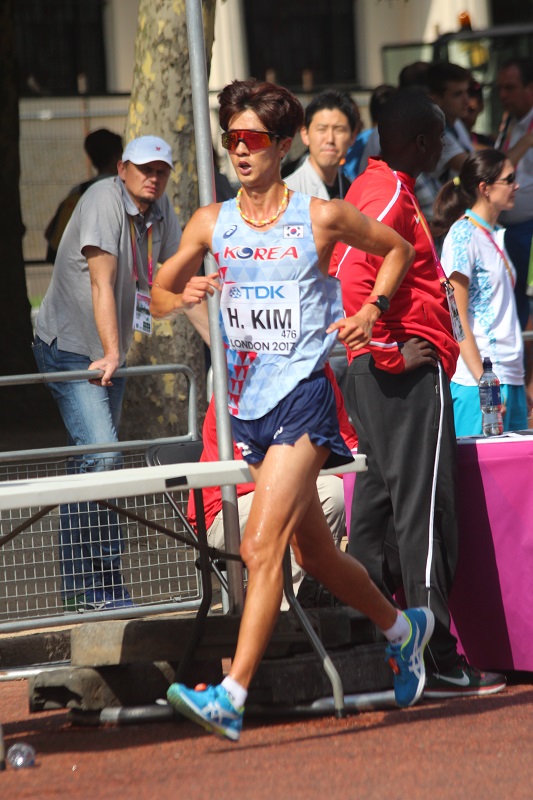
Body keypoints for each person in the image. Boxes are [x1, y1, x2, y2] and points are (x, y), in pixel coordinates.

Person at [151, 78, 434, 741]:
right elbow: (157, 295)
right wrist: (181, 291)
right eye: (232, 140)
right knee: (316, 553)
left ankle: (231, 693)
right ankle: (403, 629)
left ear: (282, 147)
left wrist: (370, 309)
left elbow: (395, 249)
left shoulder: (320, 216)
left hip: (302, 401)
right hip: (244, 410)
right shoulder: (208, 222)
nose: (240, 151)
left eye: (253, 139)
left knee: (259, 544)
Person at [330, 89, 506, 700]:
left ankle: (370, 638)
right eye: (435, 141)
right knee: (426, 515)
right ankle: (438, 654)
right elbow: (350, 275)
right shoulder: (390, 193)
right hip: (400, 374)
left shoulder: (371, 187)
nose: (441, 153)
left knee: (377, 515)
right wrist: (385, 350)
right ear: (421, 143)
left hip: (385, 372)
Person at [33, 135, 183, 612]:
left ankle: (102, 587)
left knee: (97, 461)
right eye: (144, 168)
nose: (152, 177)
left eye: (161, 170)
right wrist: (115, 352)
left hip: (106, 354)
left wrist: (221, 342)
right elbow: (101, 281)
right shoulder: (102, 198)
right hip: (72, 347)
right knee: (101, 458)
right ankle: (88, 588)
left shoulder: (161, 212)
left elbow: (176, 279)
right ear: (122, 168)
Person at [187, 363, 357, 607]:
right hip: (228, 508)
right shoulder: (247, 375)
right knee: (316, 498)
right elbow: (260, 469)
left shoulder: (318, 369)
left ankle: (310, 599)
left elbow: (345, 441)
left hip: (288, 495)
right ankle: (298, 607)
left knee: (342, 494)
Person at [433, 150, 529, 435]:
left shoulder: (491, 233)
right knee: (483, 479)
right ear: (485, 188)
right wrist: (484, 384)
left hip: (510, 375)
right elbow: (457, 316)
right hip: (480, 382)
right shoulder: (463, 234)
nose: (517, 185)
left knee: (516, 477)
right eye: (509, 179)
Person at [44, 128, 124, 263]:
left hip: (74, 270)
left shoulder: (78, 192)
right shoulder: (123, 193)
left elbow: (51, 234)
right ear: (119, 156)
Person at [495, 57, 533, 332]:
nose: (502, 96)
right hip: (514, 234)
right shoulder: (515, 124)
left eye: (510, 88)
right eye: (500, 88)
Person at [415, 62, 473, 227]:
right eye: (457, 94)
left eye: (467, 92)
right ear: (435, 99)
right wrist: (525, 141)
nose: (467, 100)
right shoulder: (438, 135)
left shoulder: (457, 124)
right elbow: (478, 169)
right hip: (440, 222)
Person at [285, 88, 359, 200]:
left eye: (338, 130)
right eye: (322, 129)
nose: (330, 139)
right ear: (305, 135)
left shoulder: (354, 190)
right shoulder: (288, 193)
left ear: (352, 137)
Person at [461, 80, 495, 151]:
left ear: (481, 107)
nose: (464, 114)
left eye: (470, 110)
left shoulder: (488, 141)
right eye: (461, 108)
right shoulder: (443, 139)